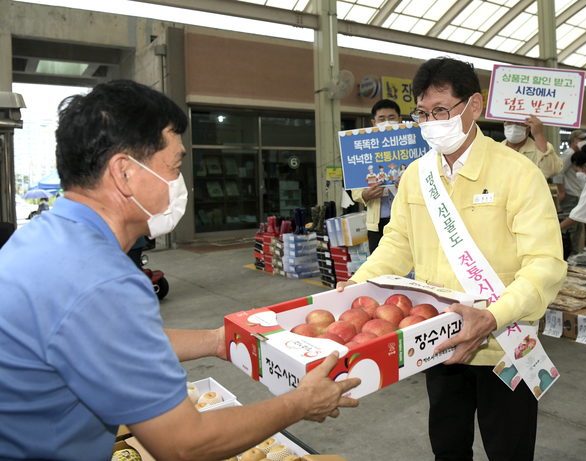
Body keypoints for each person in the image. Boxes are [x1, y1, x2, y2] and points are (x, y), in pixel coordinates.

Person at [0, 79, 360, 460]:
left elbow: (116, 339)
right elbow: (185, 444)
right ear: (123, 173)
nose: (178, 183)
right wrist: (300, 403)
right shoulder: (102, 280)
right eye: (173, 167)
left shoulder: (43, 238)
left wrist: (216, 341)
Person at [339, 57, 566, 461]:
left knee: (508, 448)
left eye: (441, 110)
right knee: (447, 444)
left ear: (474, 106)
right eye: (423, 113)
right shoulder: (416, 174)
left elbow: (545, 264)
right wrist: (359, 284)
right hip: (437, 340)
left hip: (505, 341)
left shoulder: (518, 174)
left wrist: (494, 316)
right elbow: (396, 244)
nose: (430, 122)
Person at [352, 99, 402, 253]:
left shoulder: (411, 148)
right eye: (382, 118)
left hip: (406, 221)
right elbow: (356, 192)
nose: (387, 122)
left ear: (400, 120)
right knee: (380, 269)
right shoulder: (364, 151)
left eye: (392, 118)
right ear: (374, 122)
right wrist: (365, 194)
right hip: (377, 223)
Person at [555, 129, 586, 257]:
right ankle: (570, 255)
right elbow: (559, 172)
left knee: (577, 226)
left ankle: (575, 253)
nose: (583, 142)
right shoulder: (569, 153)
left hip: (577, 194)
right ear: (573, 141)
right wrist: (561, 191)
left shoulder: (578, 154)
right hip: (570, 195)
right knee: (572, 227)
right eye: (581, 139)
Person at [502, 116, 562, 180]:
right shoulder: (494, 149)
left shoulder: (540, 149)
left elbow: (549, 171)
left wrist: (538, 134)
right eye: (509, 122)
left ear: (530, 127)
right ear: (504, 124)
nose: (514, 126)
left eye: (520, 122)